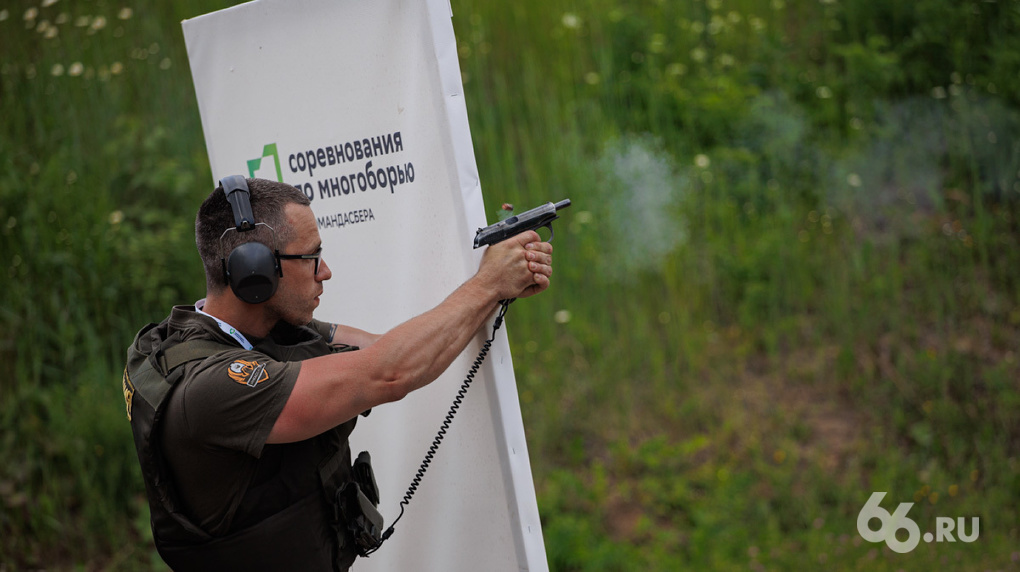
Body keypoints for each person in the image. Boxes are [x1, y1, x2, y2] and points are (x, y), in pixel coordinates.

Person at [122, 177, 553, 571]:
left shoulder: (259, 328)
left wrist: (496, 282)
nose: (324, 271)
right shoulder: (214, 387)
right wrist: (488, 285)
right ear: (253, 272)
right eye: (311, 257)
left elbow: (380, 348)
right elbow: (389, 372)